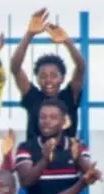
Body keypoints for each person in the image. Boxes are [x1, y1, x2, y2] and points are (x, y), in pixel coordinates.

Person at [9, 9, 85, 141]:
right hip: (35, 152)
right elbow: (15, 68)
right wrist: (29, 34)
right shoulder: (33, 97)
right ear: (37, 79)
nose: (48, 80)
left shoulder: (69, 96)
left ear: (62, 78)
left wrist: (67, 42)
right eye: (43, 76)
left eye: (54, 75)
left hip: (65, 153)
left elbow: (81, 67)